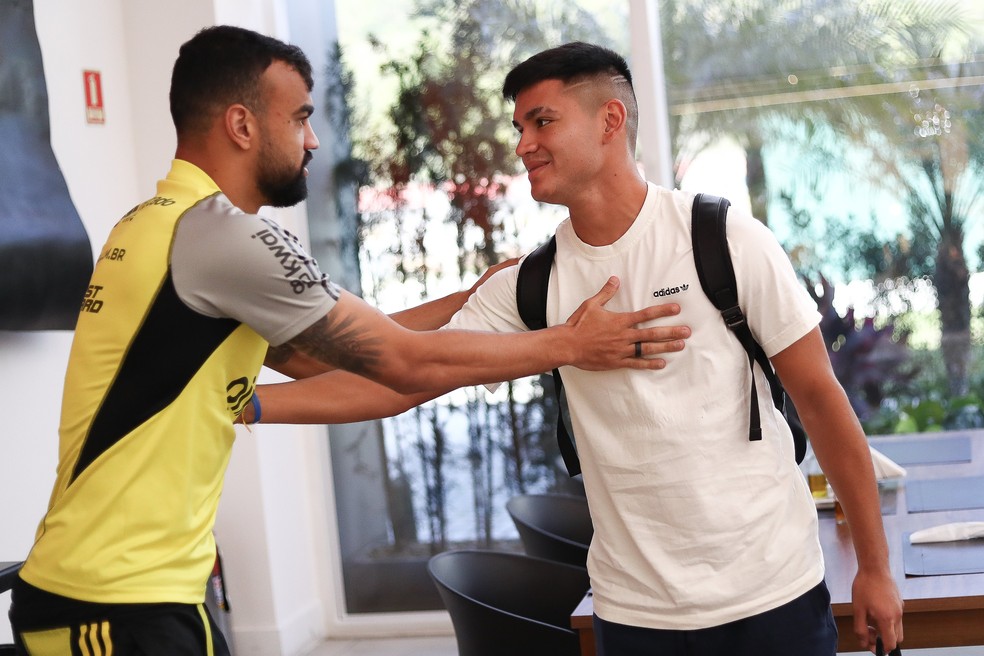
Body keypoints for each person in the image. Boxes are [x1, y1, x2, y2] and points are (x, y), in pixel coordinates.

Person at [8, 29, 692, 656]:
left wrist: (464, 303)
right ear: (242, 125)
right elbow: (399, 361)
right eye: (301, 117)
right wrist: (566, 344)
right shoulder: (223, 238)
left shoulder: (153, 224)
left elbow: (329, 353)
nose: (312, 141)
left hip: (136, 592)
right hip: (111, 601)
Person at [252, 42, 904, 655]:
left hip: (772, 595)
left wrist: (874, 568)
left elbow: (820, 399)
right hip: (635, 613)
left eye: (541, 122)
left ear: (609, 120)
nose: (524, 145)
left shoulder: (722, 236)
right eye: (518, 129)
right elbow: (399, 379)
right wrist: (249, 405)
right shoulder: (529, 286)